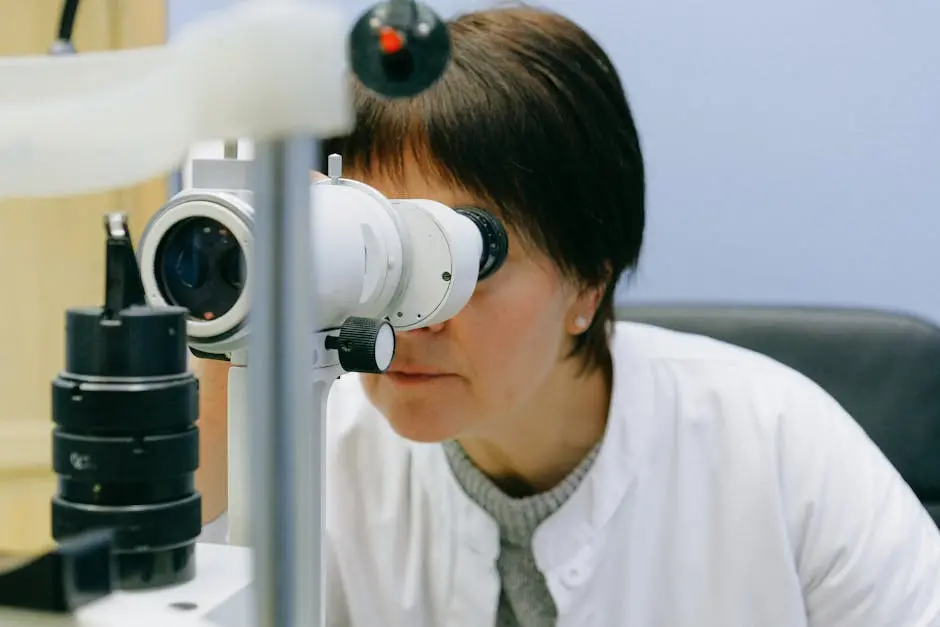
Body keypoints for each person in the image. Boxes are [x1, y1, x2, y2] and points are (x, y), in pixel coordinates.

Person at [193, 6, 940, 626]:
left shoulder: (782, 448)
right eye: (378, 256)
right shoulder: (315, 453)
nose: (413, 318)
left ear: (590, 281)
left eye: (462, 260)